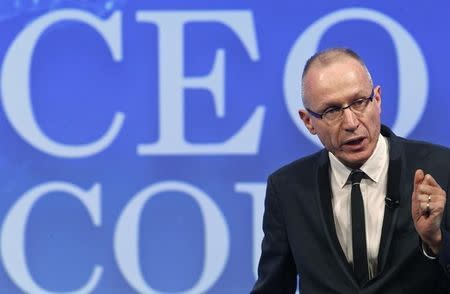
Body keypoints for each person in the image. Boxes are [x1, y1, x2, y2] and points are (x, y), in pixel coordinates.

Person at [251, 48, 450, 293]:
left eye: (359, 103)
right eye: (332, 111)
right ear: (308, 121)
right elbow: (273, 287)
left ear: (377, 100)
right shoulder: (287, 190)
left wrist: (436, 241)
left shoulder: (441, 170)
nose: (351, 123)